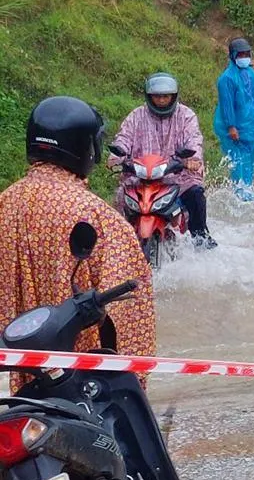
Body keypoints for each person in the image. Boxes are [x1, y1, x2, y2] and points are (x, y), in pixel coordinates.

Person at [0, 96, 155, 392]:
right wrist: (136, 385)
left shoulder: (6, 202)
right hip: (82, 382)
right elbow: (132, 314)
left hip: (24, 373)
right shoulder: (97, 214)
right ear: (85, 147)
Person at [108, 72, 216, 248]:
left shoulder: (186, 116)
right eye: (157, 96)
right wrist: (117, 156)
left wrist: (192, 159)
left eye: (166, 96)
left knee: (195, 194)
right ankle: (119, 243)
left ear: (174, 96)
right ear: (149, 96)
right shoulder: (136, 116)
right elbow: (123, 138)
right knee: (120, 199)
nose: (161, 100)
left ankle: (201, 240)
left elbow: (194, 139)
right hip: (141, 177)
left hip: (177, 176)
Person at [214, 37, 254, 201]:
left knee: (251, 157)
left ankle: (248, 189)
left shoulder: (251, 74)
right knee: (238, 160)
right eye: (241, 55)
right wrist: (231, 126)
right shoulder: (227, 79)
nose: (244, 58)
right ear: (233, 56)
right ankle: (239, 193)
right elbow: (227, 105)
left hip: (251, 124)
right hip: (233, 127)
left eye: (247, 54)